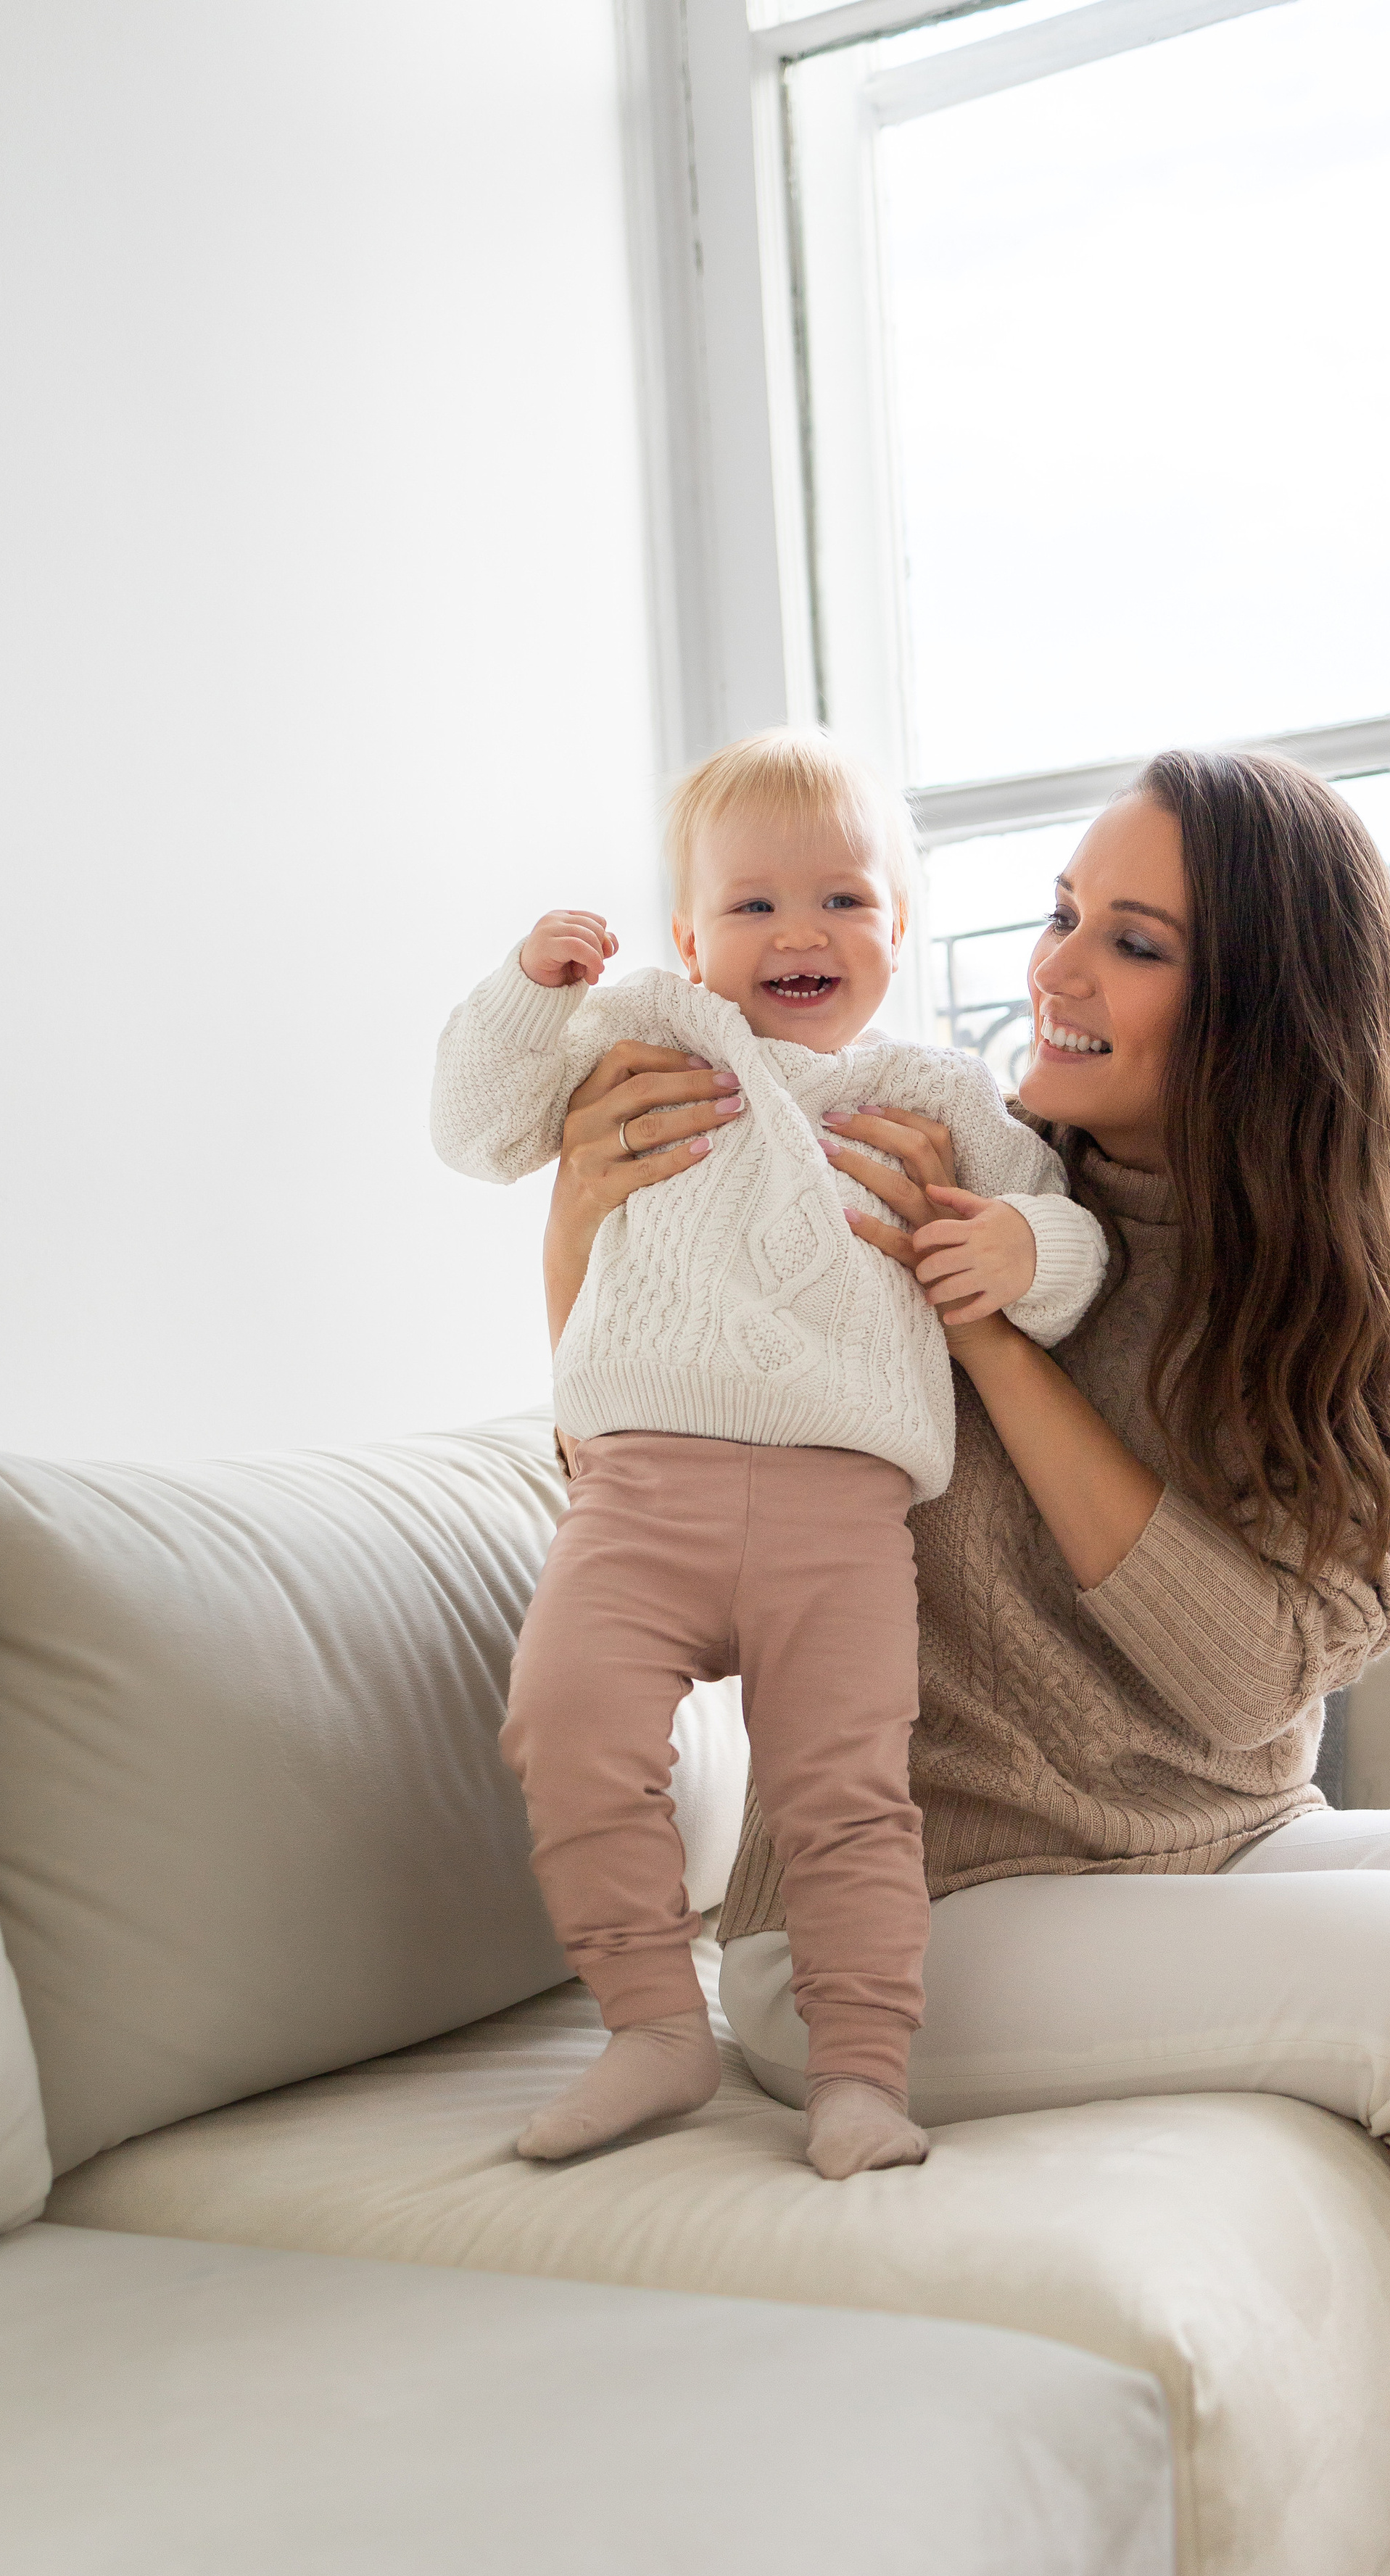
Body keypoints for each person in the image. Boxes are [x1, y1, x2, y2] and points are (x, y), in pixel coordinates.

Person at [539, 744, 1390, 2576]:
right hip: (898, 1930)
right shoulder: (912, 1168)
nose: (1053, 972)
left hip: (1217, 1850)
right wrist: (581, 1233)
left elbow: (1247, 1677)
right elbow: (667, 1460)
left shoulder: (1314, 1286)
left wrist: (1006, 1345)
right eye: (1056, 917)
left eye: (1132, 940)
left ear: (1257, 1009)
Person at [431, 729, 1108, 2179]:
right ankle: (650, 2032)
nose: (798, 933)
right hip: (636, 1495)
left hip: (839, 1511)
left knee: (847, 1799)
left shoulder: (934, 1097)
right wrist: (522, 991)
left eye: (842, 901)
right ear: (684, 937)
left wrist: (1013, 1245)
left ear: (897, 930)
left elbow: (1064, 1241)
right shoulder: (641, 1037)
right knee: (565, 1726)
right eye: (751, 907)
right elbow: (478, 1134)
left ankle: (862, 2074)